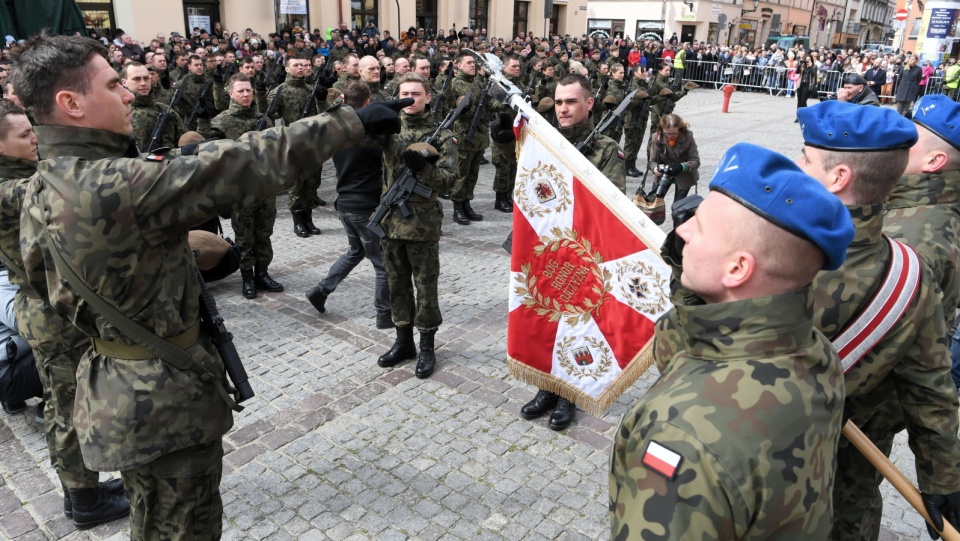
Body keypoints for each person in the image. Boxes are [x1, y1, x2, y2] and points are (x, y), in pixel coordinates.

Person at [12, 33, 403, 539]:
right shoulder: (112, 184)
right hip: (162, 401)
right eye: (113, 85)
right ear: (71, 103)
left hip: (117, 385)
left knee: (153, 518)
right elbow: (239, 164)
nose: (129, 94)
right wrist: (349, 121)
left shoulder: (47, 179)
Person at [611, 143, 854, 539]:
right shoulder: (813, 350)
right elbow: (696, 339)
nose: (683, 230)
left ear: (738, 268)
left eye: (699, 227)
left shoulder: (681, 433)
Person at [793, 101, 960, 541]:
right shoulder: (909, 253)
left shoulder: (793, 259)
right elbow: (932, 381)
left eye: (806, 158)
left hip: (803, 439)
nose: (797, 165)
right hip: (862, 425)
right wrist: (943, 479)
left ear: (838, 177)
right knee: (854, 509)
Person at [0, 96, 131, 528]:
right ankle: (84, 501)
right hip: (52, 313)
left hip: (58, 306)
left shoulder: (26, 175)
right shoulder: (10, 188)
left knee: (70, 405)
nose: (35, 140)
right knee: (70, 409)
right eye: (25, 135)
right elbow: (70, 188)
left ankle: (84, 492)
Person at [516, 74, 625, 430]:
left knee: (576, 325)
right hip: (547, 249)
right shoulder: (543, 141)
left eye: (572, 101)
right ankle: (546, 387)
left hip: (584, 252)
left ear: (589, 103)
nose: (563, 108)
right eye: (559, 102)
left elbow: (613, 205)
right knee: (547, 320)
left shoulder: (605, 147)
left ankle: (570, 394)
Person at [376, 73, 457, 379]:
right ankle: (402, 342)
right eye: (405, 94)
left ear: (427, 97)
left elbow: (450, 182)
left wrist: (425, 169)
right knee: (396, 285)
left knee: (425, 286)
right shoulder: (389, 131)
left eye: (417, 93)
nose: (411, 99)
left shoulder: (443, 135)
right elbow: (361, 143)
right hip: (390, 223)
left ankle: (426, 346)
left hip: (423, 225)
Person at [883, 94, 960, 394]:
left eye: (908, 142)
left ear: (934, 161)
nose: (895, 145)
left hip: (865, 411)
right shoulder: (935, 209)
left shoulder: (910, 234)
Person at [307, 82, 393, 330]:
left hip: (345, 204)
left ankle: (321, 291)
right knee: (382, 263)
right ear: (367, 103)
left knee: (356, 252)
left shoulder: (340, 133)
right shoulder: (369, 137)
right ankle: (384, 314)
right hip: (365, 207)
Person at [209, 73, 284, 299]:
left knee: (264, 232)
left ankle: (262, 273)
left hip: (264, 187)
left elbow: (276, 152)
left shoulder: (265, 120)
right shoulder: (221, 122)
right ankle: (247, 278)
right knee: (244, 236)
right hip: (240, 190)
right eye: (240, 91)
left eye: (248, 90)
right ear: (230, 93)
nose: (245, 94)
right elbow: (212, 157)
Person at [267, 55, 324, 237]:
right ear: (287, 69)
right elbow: (269, 115)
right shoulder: (280, 91)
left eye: (302, 64)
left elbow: (323, 114)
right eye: (296, 65)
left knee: (312, 183)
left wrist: (322, 98)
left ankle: (309, 219)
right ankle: (298, 222)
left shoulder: (310, 89)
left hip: (313, 143)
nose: (300, 67)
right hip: (293, 144)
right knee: (297, 185)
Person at [450, 51, 497, 225]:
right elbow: (463, 103)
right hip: (463, 137)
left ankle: (467, 204)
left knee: (473, 174)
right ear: (459, 65)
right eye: (468, 62)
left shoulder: (479, 82)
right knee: (461, 174)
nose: (472, 65)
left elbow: (489, 102)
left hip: (479, 136)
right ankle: (457, 207)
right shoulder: (456, 84)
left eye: (474, 63)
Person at [121, 62, 184, 151]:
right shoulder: (120, 113)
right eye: (137, 79)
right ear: (124, 82)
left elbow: (184, 141)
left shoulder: (165, 109)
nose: (143, 83)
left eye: (146, 78)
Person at [491, 53, 521, 212]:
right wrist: (509, 101)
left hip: (517, 129)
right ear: (504, 67)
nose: (517, 69)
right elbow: (493, 104)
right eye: (513, 66)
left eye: (518, 66)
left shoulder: (520, 83)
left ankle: (509, 195)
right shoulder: (500, 83)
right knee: (502, 166)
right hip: (503, 128)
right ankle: (500, 198)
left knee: (513, 166)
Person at [645, 113, 700, 202]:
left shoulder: (688, 136)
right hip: (663, 174)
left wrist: (682, 166)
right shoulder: (657, 137)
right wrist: (655, 168)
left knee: (678, 206)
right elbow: (652, 161)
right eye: (667, 133)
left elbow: (695, 161)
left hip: (683, 175)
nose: (670, 136)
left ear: (680, 129)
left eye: (674, 133)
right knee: (654, 203)